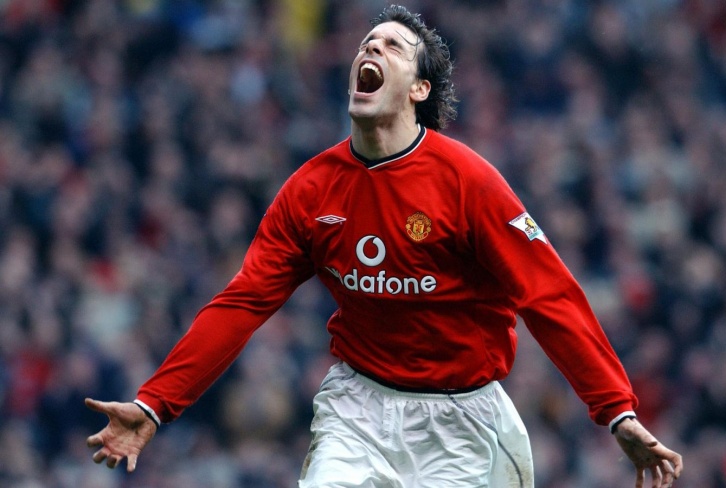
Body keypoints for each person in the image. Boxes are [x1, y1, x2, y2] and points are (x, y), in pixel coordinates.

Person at [86, 5, 683, 487]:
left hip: (463, 424)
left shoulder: (468, 182)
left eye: (393, 46)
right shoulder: (311, 190)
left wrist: (617, 410)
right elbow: (243, 303)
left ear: (420, 88)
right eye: (367, 43)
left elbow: (548, 295)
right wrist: (156, 403)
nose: (371, 49)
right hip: (358, 408)